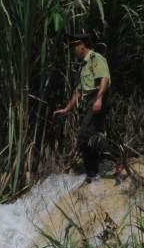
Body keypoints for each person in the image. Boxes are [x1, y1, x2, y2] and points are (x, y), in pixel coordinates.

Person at [52, 33, 125, 184]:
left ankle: (117, 157)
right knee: (85, 139)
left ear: (82, 45)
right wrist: (66, 110)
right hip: (91, 100)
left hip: (99, 98)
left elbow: (104, 78)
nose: (73, 50)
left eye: (74, 46)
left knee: (86, 135)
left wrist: (98, 99)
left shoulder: (95, 58)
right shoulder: (84, 66)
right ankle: (92, 175)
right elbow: (79, 91)